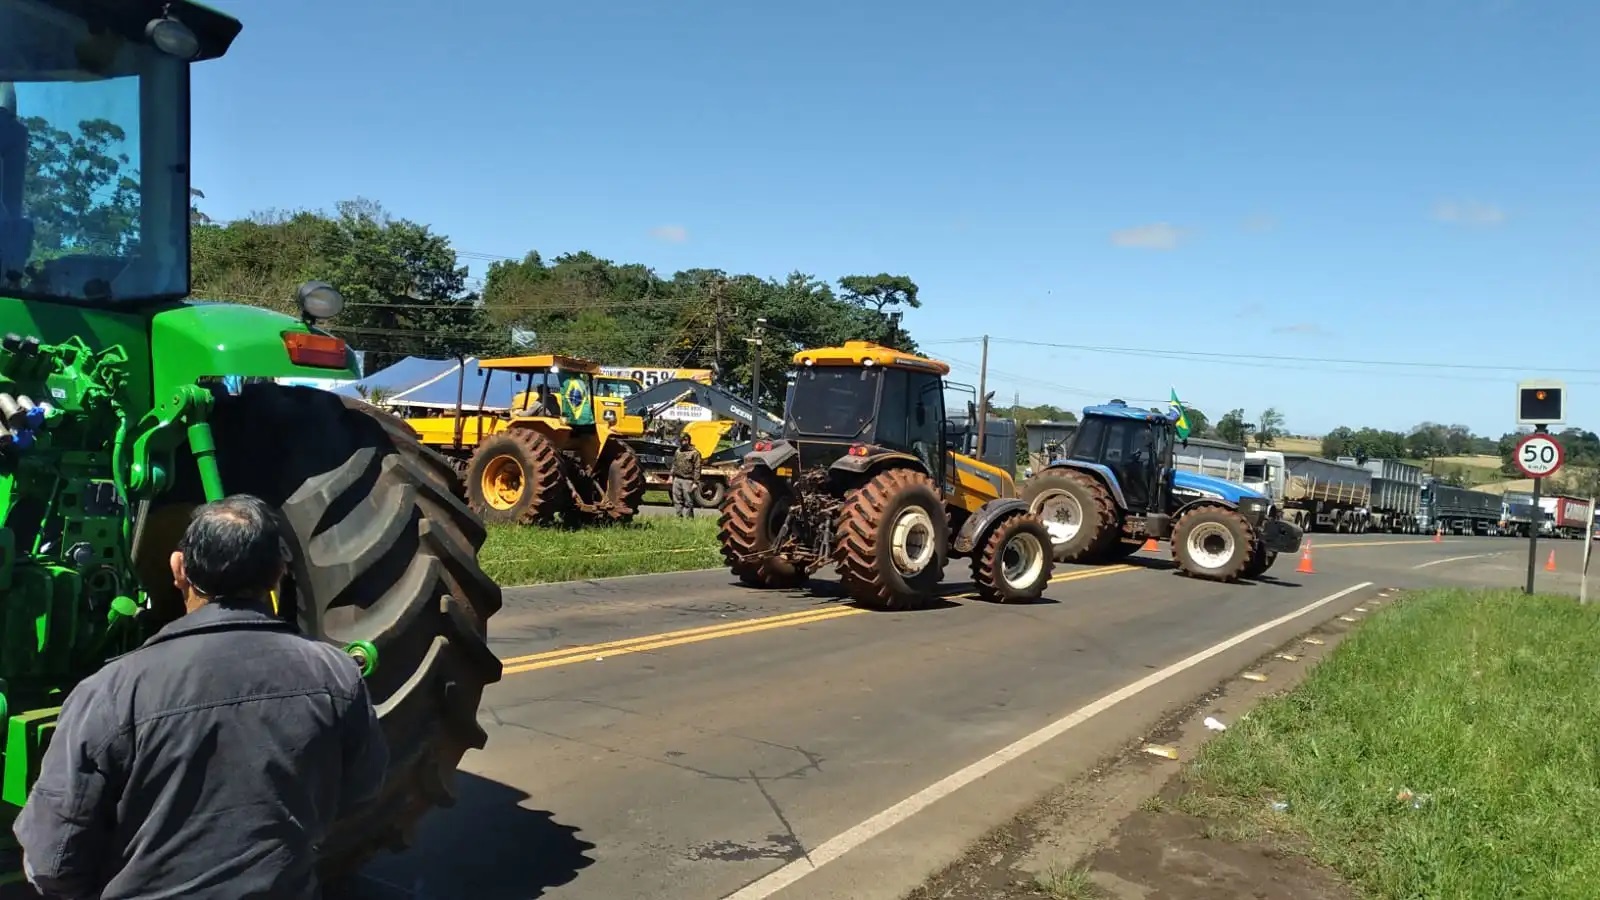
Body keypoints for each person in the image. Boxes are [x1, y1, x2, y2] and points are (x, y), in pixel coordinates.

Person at [14, 494, 389, 899]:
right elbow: (362, 789)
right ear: (279, 572)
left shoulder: (111, 691)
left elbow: (53, 861)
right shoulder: (336, 676)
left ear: (179, 569)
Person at [670, 431, 703, 517]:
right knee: (676, 499)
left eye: (682, 441)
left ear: (687, 440)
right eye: (680, 441)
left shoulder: (695, 453)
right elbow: (674, 463)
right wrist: (671, 476)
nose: (680, 443)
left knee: (688, 501)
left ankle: (689, 518)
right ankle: (679, 517)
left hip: (688, 480)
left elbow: (697, 468)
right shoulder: (678, 451)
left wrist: (696, 482)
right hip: (677, 479)